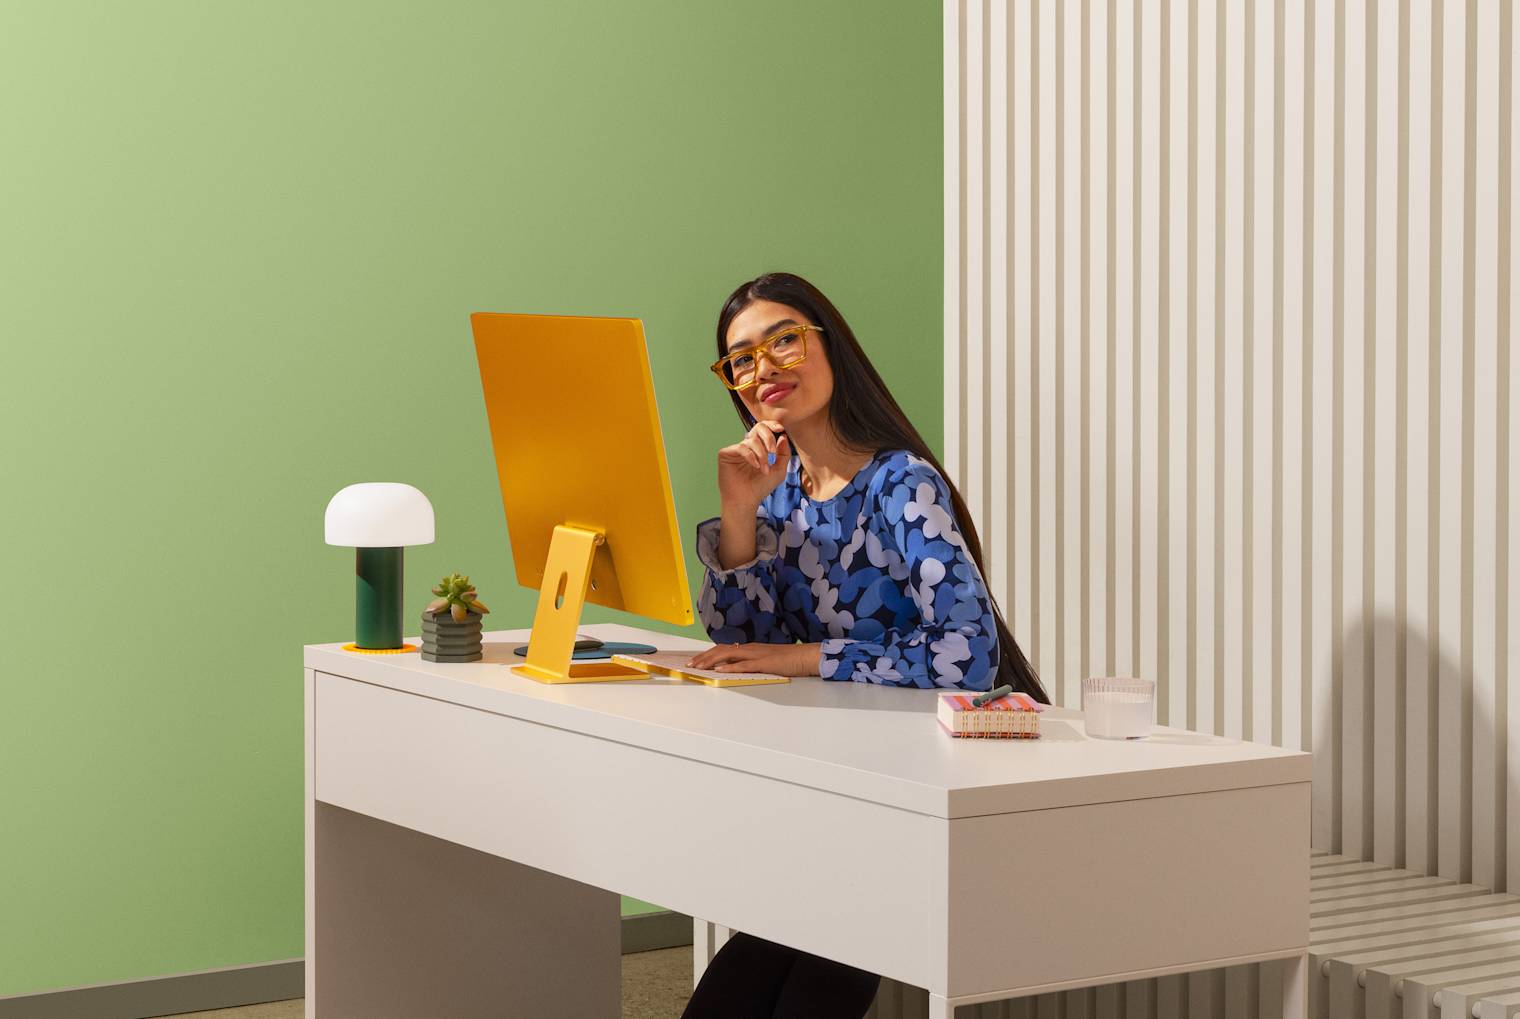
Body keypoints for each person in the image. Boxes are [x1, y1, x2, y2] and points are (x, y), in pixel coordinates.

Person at [680, 271, 1048, 1019]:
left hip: (931, 788)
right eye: (742, 358)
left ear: (830, 346)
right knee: (742, 982)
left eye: (784, 339)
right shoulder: (777, 489)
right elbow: (745, 645)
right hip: (847, 782)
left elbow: (966, 653)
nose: (764, 368)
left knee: (807, 961)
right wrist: (738, 511)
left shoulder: (899, 483)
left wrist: (806, 657)